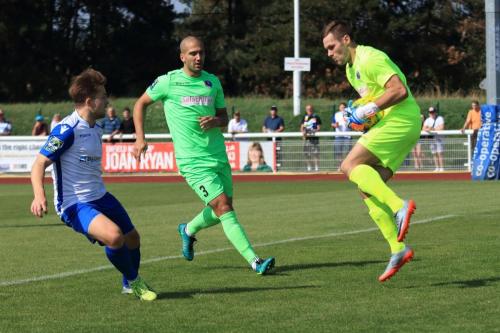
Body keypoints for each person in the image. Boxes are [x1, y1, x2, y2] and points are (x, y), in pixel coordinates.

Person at [132, 36, 275, 275]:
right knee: (223, 206)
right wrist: (140, 138)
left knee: (223, 208)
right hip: (192, 161)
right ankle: (255, 261)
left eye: (202, 53)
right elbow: (140, 104)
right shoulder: (168, 82)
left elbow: (224, 118)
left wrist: (216, 121)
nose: (199, 58)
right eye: (193, 53)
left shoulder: (212, 82)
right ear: (182, 56)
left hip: (218, 156)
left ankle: (187, 230)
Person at [29, 69, 156, 301]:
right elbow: (38, 164)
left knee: (133, 238)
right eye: (103, 96)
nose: (107, 100)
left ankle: (127, 283)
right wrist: (39, 196)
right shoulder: (67, 130)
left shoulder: (96, 128)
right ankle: (136, 282)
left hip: (100, 196)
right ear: (90, 101)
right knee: (115, 237)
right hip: (74, 204)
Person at [322, 20, 419, 282]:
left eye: (331, 47)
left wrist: (368, 110)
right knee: (367, 187)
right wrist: (361, 116)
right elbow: (375, 101)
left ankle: (400, 206)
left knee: (348, 166)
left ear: (345, 40)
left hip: (402, 119)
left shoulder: (369, 58)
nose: (329, 53)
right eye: (326, 50)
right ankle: (398, 249)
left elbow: (398, 91)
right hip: (397, 123)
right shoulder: (351, 70)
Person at [423, 106, 445, 172]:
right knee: (434, 153)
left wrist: (431, 129)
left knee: (440, 153)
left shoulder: (440, 118)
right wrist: (429, 129)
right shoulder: (427, 120)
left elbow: (441, 128)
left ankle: (442, 168)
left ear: (435, 112)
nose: (431, 113)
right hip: (432, 139)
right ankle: (437, 167)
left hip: (439, 138)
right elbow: (423, 128)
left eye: (432, 112)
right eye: (430, 112)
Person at [300, 104, 322, 171]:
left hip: (314, 138)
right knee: (307, 153)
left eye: (310, 109)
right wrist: (303, 133)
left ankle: (316, 167)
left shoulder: (316, 117)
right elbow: (301, 127)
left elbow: (318, 127)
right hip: (307, 139)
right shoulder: (305, 117)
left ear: (312, 109)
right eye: (307, 109)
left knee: (315, 153)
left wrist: (312, 131)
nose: (309, 110)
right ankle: (309, 167)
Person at [331, 102, 351, 168]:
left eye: (344, 107)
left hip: (347, 136)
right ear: (339, 108)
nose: (342, 108)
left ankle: (346, 166)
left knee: (347, 152)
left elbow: (352, 124)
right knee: (338, 152)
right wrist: (335, 125)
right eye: (341, 107)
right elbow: (332, 123)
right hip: (338, 136)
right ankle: (340, 166)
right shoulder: (336, 114)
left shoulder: (349, 114)